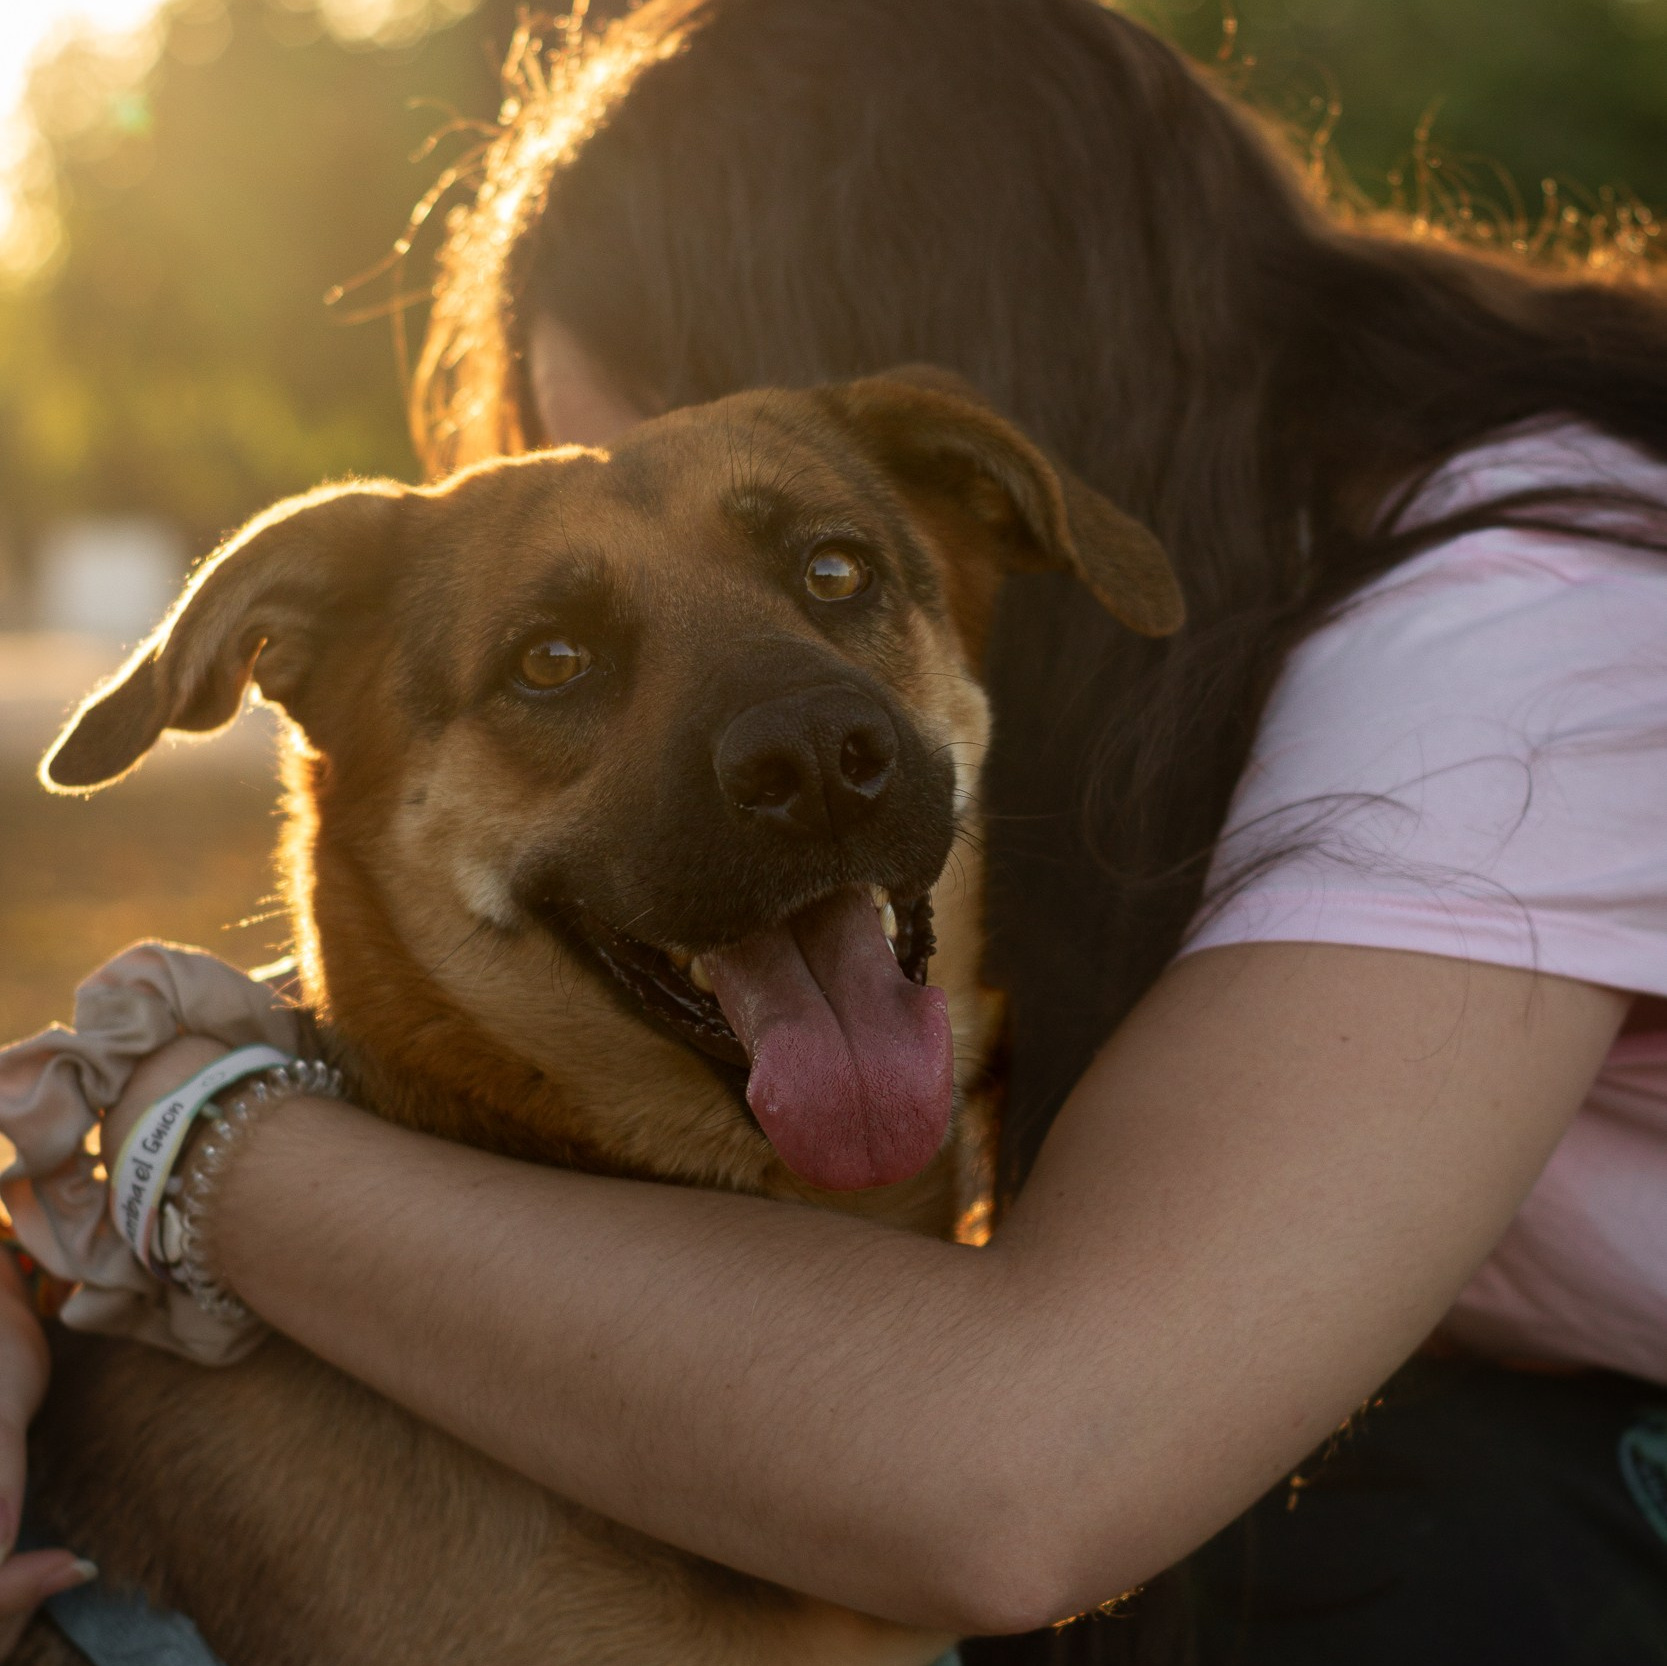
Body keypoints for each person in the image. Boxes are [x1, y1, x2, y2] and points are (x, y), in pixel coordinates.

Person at [5, 1, 1667, 1659]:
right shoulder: (1199, 661)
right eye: (561, 651)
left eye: (816, 564)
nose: (782, 729)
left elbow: (1028, 1469)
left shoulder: (1514, 628)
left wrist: (189, 1138)